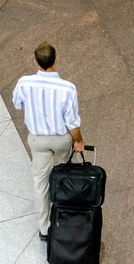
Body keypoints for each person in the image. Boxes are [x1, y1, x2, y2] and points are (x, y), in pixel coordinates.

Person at [12, 41, 85, 242]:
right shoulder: (68, 88)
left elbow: (17, 103)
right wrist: (79, 140)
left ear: (35, 61)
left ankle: (44, 229)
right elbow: (72, 122)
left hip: (38, 139)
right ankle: (72, 214)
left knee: (40, 182)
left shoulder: (24, 83)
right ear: (56, 60)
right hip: (62, 139)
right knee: (71, 174)